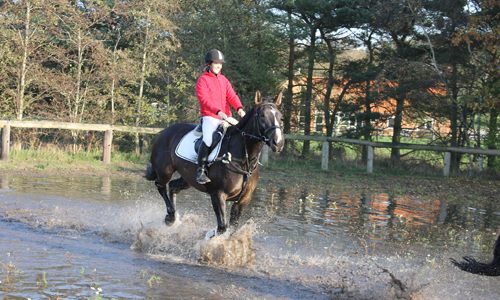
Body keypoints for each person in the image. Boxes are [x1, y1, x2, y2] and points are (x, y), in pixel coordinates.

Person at [195, 49, 245, 184]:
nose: (219, 66)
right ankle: (201, 170)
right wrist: (218, 112)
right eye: (216, 63)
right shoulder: (202, 80)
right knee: (208, 140)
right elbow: (204, 100)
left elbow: (232, 96)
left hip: (226, 116)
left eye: (221, 64)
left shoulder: (223, 80)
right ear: (208, 64)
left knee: (241, 134)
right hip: (210, 117)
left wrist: (239, 108)